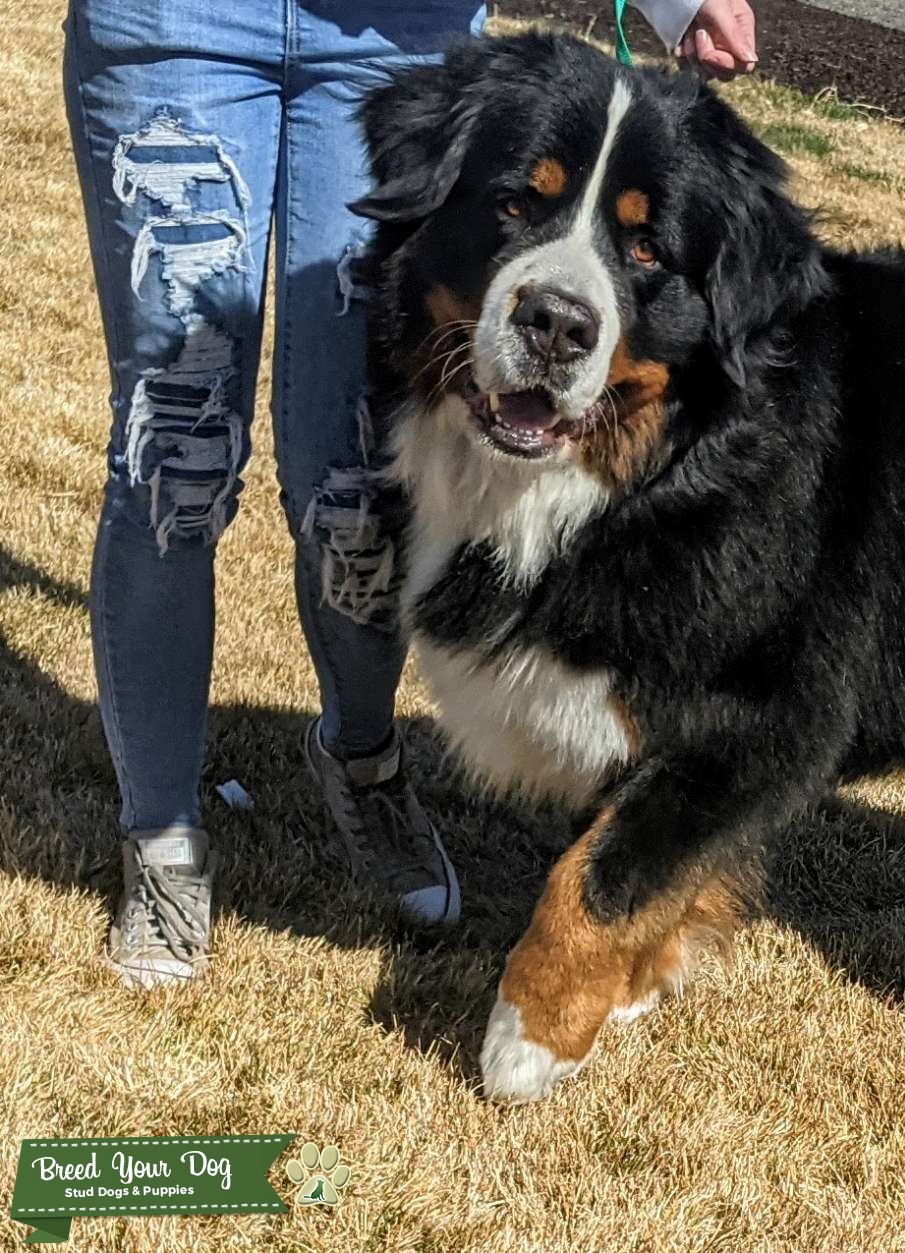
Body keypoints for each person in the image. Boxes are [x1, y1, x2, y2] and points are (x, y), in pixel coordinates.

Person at [65, 0, 759, 989]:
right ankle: (161, 832)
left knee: (357, 481)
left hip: (397, 34)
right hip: (178, 23)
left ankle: (361, 757)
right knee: (175, 458)